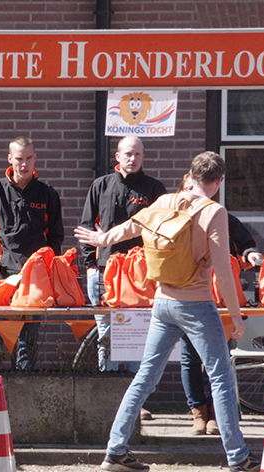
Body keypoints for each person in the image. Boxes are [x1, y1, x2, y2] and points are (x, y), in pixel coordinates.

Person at [75, 151, 261, 472]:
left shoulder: (164, 201)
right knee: (220, 378)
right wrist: (236, 316)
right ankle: (238, 457)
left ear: (190, 174)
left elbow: (131, 227)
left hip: (162, 303)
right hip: (197, 305)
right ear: (219, 181)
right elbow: (223, 271)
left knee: (145, 377)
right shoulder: (214, 212)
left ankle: (115, 451)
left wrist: (103, 238)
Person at [80, 136, 166, 422]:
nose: (133, 159)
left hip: (139, 275)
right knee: (106, 334)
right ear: (117, 157)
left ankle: (135, 401)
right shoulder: (100, 185)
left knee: (135, 337)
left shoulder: (154, 189)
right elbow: (84, 227)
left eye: (138, 154)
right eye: (128, 154)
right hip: (103, 272)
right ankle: (109, 396)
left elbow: (162, 231)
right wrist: (90, 264)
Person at [176, 174, 264, 436]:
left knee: (219, 358)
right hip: (186, 294)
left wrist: (250, 254)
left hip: (220, 300)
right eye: (190, 189)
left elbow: (244, 243)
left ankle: (216, 413)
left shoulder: (220, 215)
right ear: (183, 191)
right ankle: (198, 414)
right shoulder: (175, 217)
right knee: (190, 358)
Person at [0, 136, 64, 371]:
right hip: (3, 276)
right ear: (9, 159)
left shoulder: (47, 194)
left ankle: (24, 394)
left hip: (36, 280)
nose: (24, 164)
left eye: (28, 158)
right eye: (19, 159)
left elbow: (56, 237)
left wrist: (47, 269)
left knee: (27, 343)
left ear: (35, 159)